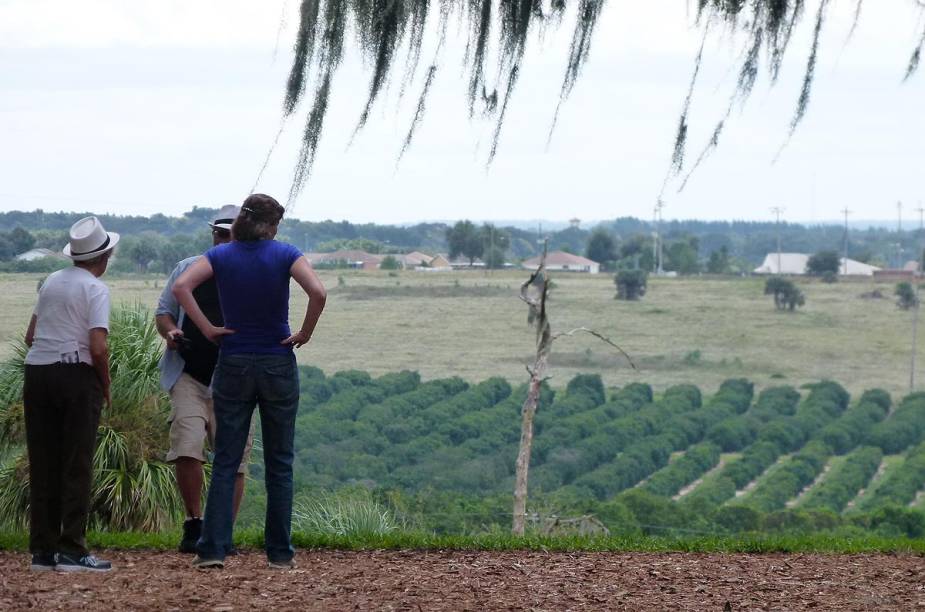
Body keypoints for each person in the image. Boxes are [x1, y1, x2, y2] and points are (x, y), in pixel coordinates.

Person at [172, 193, 326, 570]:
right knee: (279, 461)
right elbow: (319, 292)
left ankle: (212, 549)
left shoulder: (221, 256)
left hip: (234, 359)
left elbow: (181, 288)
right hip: (277, 360)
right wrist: (304, 332)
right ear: (271, 226)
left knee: (225, 458)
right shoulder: (285, 253)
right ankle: (279, 553)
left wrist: (208, 328)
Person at [155, 205, 254, 553]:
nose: (221, 239)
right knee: (187, 444)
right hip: (188, 373)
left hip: (235, 377)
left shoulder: (250, 273)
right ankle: (194, 523)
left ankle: (222, 531)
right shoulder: (186, 268)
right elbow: (164, 312)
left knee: (235, 457)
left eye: (228, 234)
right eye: (217, 233)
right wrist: (171, 333)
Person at [22, 216, 118, 572]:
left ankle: (42, 552)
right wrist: (105, 385)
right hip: (75, 373)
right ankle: (72, 550)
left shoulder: (50, 282)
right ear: (104, 257)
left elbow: (31, 336)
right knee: (76, 463)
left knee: (44, 461)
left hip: (38, 372)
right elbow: (97, 346)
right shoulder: (96, 289)